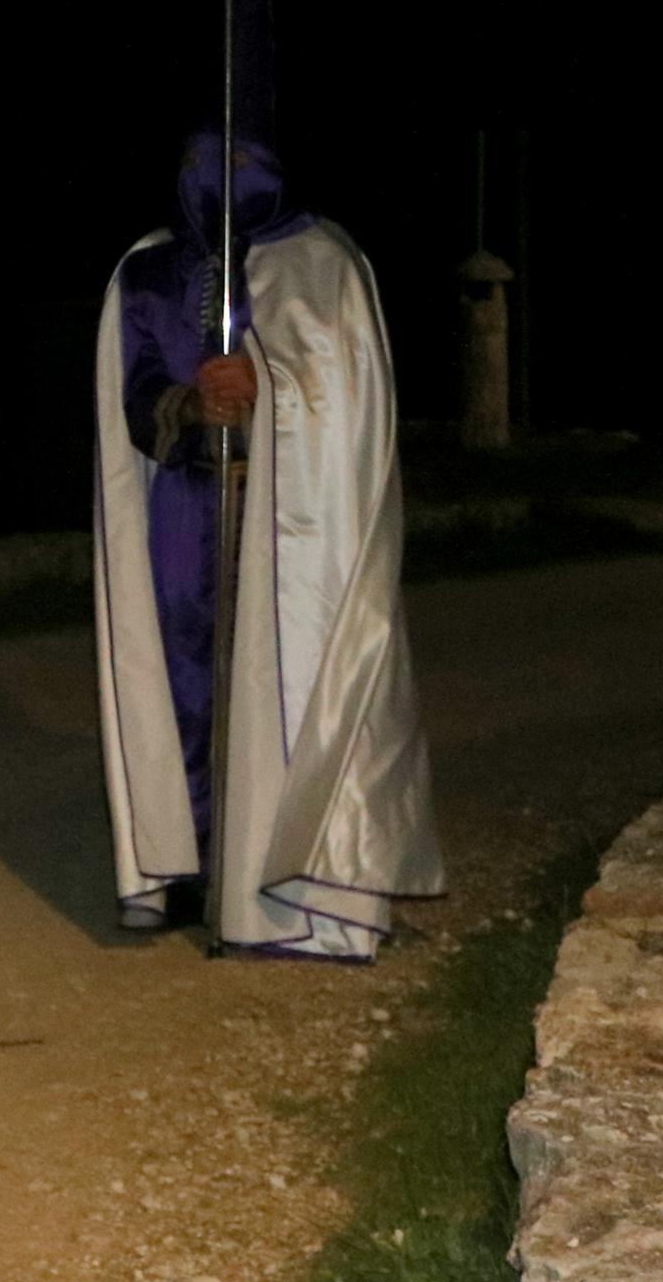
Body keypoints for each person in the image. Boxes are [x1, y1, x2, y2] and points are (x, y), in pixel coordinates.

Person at [88, 127, 440, 958]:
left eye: (237, 160)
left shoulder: (324, 263)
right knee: (181, 675)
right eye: (196, 159)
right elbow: (128, 388)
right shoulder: (146, 270)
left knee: (279, 676)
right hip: (180, 504)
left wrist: (266, 387)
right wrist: (184, 400)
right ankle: (190, 860)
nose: (213, 177)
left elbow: (346, 401)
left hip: (291, 520)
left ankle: (288, 867)